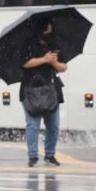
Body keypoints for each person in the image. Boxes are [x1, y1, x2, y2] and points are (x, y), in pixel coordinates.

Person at [20, 15, 66, 167]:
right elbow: (25, 63)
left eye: (51, 31)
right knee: (32, 125)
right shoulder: (27, 44)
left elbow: (63, 67)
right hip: (31, 90)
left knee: (53, 125)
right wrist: (44, 59)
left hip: (52, 90)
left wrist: (54, 62)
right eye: (47, 31)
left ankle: (50, 154)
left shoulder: (54, 45)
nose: (49, 34)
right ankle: (33, 155)